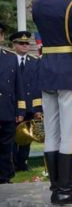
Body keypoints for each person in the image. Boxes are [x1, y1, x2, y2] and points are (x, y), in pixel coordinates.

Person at [32, 0, 72, 204]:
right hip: (68, 72)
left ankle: (55, 187)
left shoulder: (38, 4)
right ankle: (65, 189)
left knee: (51, 133)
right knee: (69, 134)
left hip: (47, 69)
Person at [9, 31, 42, 172]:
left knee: (26, 137)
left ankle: (22, 163)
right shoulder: (8, 60)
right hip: (11, 106)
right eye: (21, 43)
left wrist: (38, 109)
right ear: (14, 45)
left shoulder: (35, 61)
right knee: (10, 137)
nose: (24, 46)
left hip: (30, 106)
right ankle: (11, 164)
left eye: (26, 43)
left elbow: (37, 86)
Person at [0, 23, 25, 184]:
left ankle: (3, 176)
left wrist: (20, 111)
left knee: (5, 146)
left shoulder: (10, 57)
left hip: (6, 109)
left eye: (0, 34)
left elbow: (18, 86)